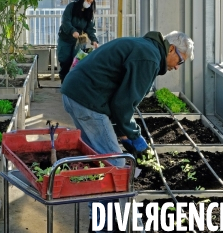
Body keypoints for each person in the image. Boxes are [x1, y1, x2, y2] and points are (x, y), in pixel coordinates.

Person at [60, 30, 194, 231]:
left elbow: (121, 99)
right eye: (180, 61)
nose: (177, 67)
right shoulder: (149, 59)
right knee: (116, 165)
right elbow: (123, 104)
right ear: (172, 48)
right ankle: (108, 225)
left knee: (100, 161)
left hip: (75, 93)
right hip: (87, 100)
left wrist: (126, 131)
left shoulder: (146, 49)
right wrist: (132, 134)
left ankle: (99, 218)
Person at [57, 0, 99, 83]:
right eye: (87, 0)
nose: (88, 3)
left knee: (77, 62)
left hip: (79, 40)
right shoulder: (71, 6)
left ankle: (73, 83)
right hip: (66, 38)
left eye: (90, 2)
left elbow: (90, 28)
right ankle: (64, 81)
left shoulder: (89, 12)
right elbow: (65, 21)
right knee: (65, 60)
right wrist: (72, 31)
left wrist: (94, 40)